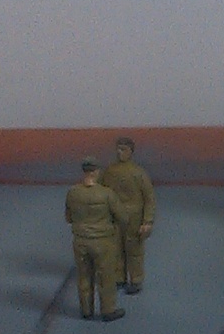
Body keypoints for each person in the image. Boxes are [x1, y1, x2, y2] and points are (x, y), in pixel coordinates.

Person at [65, 158, 129, 321]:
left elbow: (68, 218)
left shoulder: (73, 192)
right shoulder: (107, 194)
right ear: (96, 171)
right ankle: (108, 310)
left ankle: (86, 310)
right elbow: (123, 217)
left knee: (84, 276)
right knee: (106, 277)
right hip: (103, 241)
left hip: (80, 241)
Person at [100, 137, 156, 294]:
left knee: (134, 250)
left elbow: (149, 198)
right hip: (115, 217)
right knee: (116, 249)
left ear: (131, 151)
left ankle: (136, 279)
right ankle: (119, 277)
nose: (120, 152)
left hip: (134, 219)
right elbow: (100, 193)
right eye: (118, 149)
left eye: (123, 149)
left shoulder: (139, 173)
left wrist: (147, 221)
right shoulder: (109, 171)